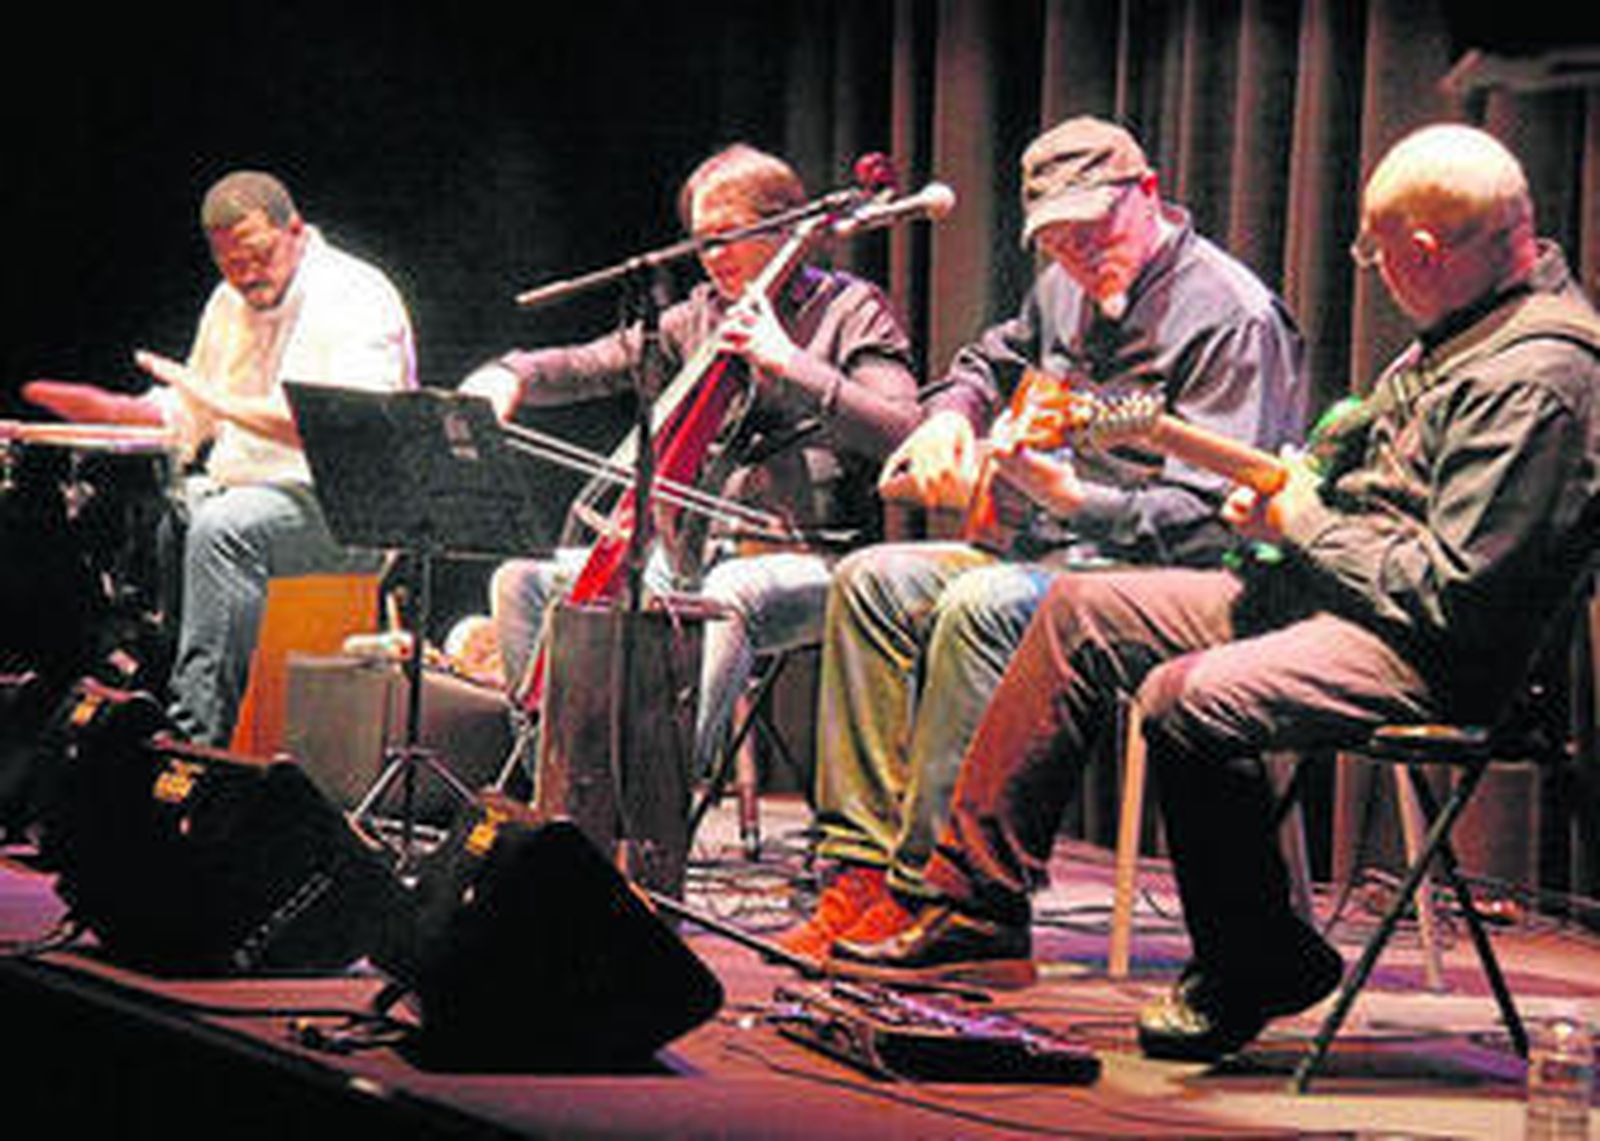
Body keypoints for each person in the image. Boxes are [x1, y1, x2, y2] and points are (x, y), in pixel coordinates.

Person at [832, 123, 1600, 1061]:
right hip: (1334, 592)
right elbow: (1361, 491)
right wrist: (1287, 490)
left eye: (1381, 256)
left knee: (1186, 696)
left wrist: (1303, 522)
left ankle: (1254, 954)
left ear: (1428, 252)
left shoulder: (1543, 374)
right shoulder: (1464, 329)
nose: (1377, 275)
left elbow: (1456, 596)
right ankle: (973, 905)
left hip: (1430, 652)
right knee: (1075, 612)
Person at [777, 116, 1308, 960]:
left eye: (1090, 230)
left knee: (985, 602)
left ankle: (949, 893)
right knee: (874, 578)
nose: (1075, 253)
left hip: (1168, 584)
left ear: (1149, 193)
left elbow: (1212, 519)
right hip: (1052, 553)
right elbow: (991, 356)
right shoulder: (1064, 285)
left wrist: (1078, 498)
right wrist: (952, 416)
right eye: (1055, 239)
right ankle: (862, 872)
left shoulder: (1232, 316)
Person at [459, 143, 920, 785]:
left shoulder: (851, 309)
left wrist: (792, 365)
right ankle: (555, 784)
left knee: (726, 595)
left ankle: (659, 794)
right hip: (687, 564)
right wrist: (508, 374)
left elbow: (902, 428)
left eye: (730, 237)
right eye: (703, 242)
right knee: (523, 581)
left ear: (787, 228)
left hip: (809, 562)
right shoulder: (698, 316)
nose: (714, 257)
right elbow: (588, 364)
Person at [25, 171, 416, 745]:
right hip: (251, 496)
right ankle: (135, 703)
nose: (249, 275)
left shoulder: (356, 295)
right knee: (164, 512)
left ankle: (195, 743)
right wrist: (105, 410)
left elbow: (340, 432)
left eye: (259, 255)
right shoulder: (229, 302)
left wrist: (212, 397)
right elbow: (190, 415)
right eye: (232, 265)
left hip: (351, 509)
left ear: (296, 232)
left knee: (224, 527)